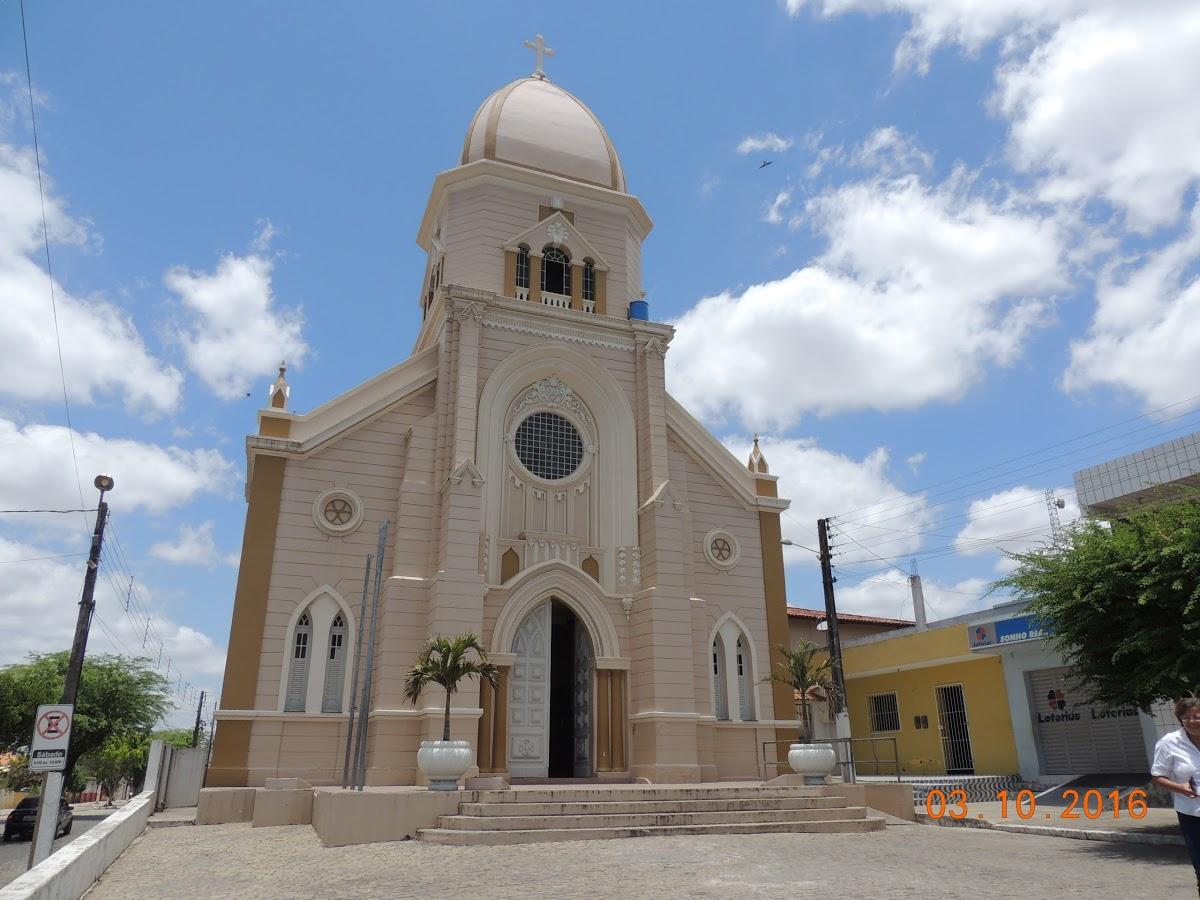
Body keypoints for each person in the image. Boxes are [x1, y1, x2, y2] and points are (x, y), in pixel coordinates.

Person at [1152, 697, 1200, 895]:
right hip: (1192, 814)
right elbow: (1158, 775)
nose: (1192, 721)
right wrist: (1180, 788)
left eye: (1197, 716)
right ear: (1180, 719)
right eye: (1186, 717)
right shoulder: (1169, 742)